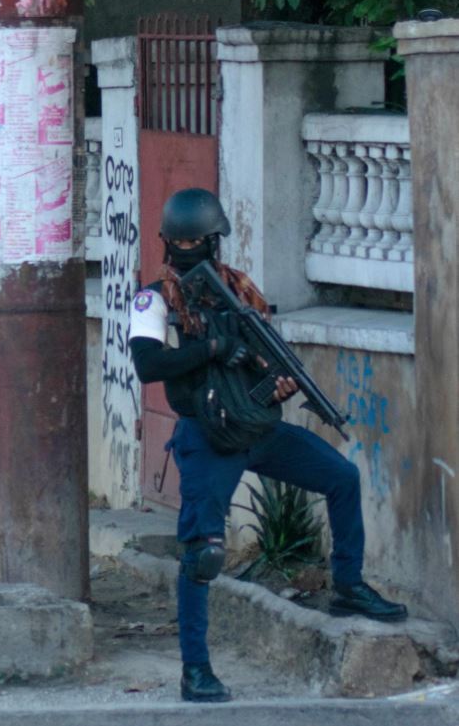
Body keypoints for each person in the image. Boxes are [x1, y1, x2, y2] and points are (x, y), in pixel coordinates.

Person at [128, 188, 406, 704]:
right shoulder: (155, 298)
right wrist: (212, 347)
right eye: (180, 240)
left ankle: (348, 587)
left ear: (214, 243)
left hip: (257, 429)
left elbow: (267, 365)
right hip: (207, 438)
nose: (188, 248)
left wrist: (277, 383)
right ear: (168, 243)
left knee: (342, 478)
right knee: (203, 554)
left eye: (197, 240)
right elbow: (148, 365)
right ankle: (195, 671)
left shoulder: (241, 294)